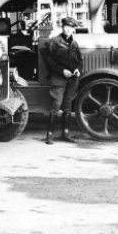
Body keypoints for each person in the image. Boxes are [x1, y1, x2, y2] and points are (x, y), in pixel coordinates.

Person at [41, 17, 81, 145]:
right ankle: (49, 135)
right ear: (62, 27)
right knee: (56, 106)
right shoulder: (54, 42)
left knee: (68, 106)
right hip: (58, 78)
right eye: (66, 27)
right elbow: (48, 61)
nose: (68, 29)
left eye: (71, 28)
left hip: (72, 79)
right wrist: (62, 71)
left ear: (73, 29)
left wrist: (78, 70)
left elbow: (79, 60)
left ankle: (66, 133)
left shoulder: (74, 44)